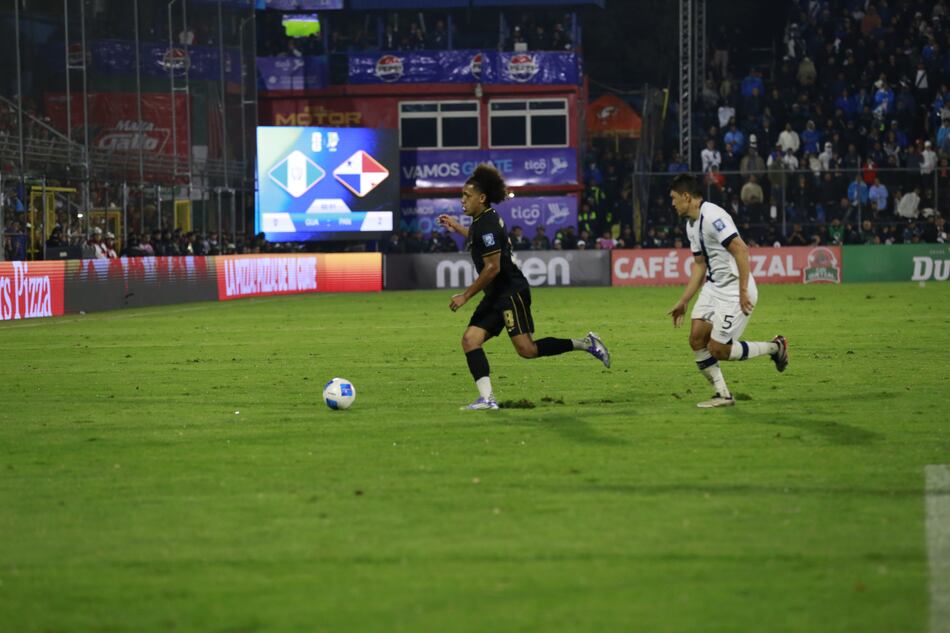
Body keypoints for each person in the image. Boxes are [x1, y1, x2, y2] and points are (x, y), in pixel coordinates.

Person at [436, 164, 611, 411]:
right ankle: (487, 399)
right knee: (470, 339)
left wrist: (465, 296)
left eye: (467, 195)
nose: (462, 199)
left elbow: (492, 268)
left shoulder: (486, 224)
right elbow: (479, 242)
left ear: (482, 198)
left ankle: (586, 343)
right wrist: (456, 226)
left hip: (510, 292)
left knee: (527, 350)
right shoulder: (481, 220)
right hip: (496, 294)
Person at [666, 174, 788, 409]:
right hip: (714, 287)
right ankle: (722, 394)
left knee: (719, 349)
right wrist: (683, 301)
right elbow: (700, 265)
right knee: (696, 339)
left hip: (734, 289)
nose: (672, 203)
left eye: (673, 198)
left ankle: (776, 347)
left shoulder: (713, 216)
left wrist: (743, 290)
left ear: (686, 197)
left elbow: (741, 250)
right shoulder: (691, 224)